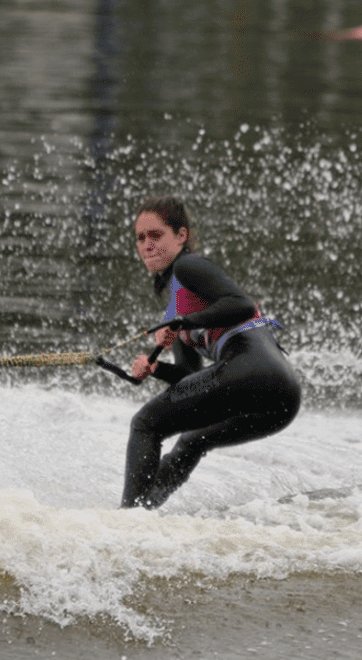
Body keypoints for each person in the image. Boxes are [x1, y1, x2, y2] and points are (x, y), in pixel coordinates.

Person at [121, 197, 301, 509]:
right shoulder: (177, 308)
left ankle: (127, 519)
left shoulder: (189, 266)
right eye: (140, 238)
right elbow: (191, 378)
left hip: (253, 370)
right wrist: (156, 369)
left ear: (181, 236)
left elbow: (241, 304)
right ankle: (144, 513)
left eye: (156, 235)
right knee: (193, 439)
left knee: (146, 424)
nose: (147, 245)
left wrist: (182, 323)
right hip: (282, 398)